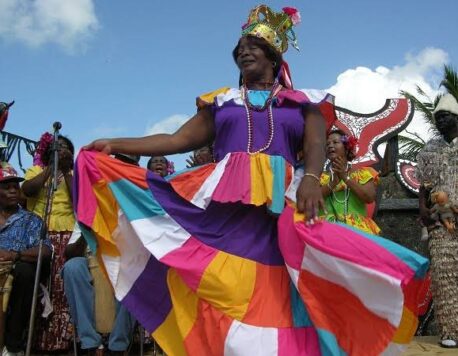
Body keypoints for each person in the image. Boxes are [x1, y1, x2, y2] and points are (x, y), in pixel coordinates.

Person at [76, 5, 428, 355]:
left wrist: (310, 180)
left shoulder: (303, 104)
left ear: (273, 57)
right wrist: (114, 144)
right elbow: (175, 140)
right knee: (223, 288)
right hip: (225, 213)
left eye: (252, 46)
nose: (243, 51)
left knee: (285, 293)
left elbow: (316, 144)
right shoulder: (223, 102)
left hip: (282, 212)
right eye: (239, 49)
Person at [21, 133, 75, 351]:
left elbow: (79, 201)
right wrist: (50, 168)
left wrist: (65, 170)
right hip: (37, 233)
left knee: (60, 289)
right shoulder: (35, 171)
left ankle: (60, 341)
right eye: (55, 146)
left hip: (66, 233)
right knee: (38, 286)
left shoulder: (72, 174)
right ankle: (34, 340)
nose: (59, 149)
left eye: (63, 147)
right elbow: (27, 191)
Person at [416, 93, 458, 348]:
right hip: (440, 220)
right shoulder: (429, 149)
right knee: (444, 277)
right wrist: (422, 208)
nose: (441, 120)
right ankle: (449, 332)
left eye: (446, 116)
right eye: (438, 117)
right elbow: (423, 185)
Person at [0, 162, 51, 355]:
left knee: (24, 271)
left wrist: (14, 255)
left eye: (15, 186)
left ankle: (13, 347)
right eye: (7, 187)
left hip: (17, 275)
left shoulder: (31, 219)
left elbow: (45, 250)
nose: (13, 191)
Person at [62, 224, 135, 356]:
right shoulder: (87, 212)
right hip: (89, 260)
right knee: (72, 268)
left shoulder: (128, 207)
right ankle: (91, 343)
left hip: (122, 260)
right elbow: (69, 253)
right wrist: (87, 229)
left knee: (134, 272)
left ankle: (118, 346)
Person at [320, 130, 380, 234]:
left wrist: (345, 177)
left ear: (346, 147)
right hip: (326, 231)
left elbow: (369, 197)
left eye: (335, 142)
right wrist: (332, 183)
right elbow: (311, 201)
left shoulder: (362, 173)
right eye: (327, 144)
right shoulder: (320, 177)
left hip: (357, 231)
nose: (330, 146)